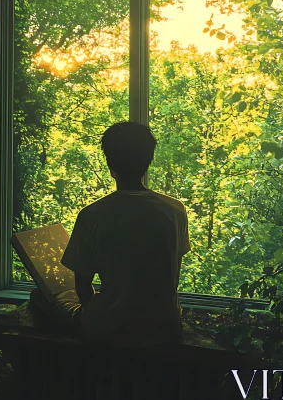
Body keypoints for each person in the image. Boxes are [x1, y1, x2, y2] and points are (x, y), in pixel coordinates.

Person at [29, 121, 191, 348]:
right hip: (164, 326)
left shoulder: (92, 215)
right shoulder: (175, 210)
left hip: (110, 328)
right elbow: (172, 275)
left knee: (41, 297)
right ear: (148, 161)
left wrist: (100, 315)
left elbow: (82, 287)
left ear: (109, 164)